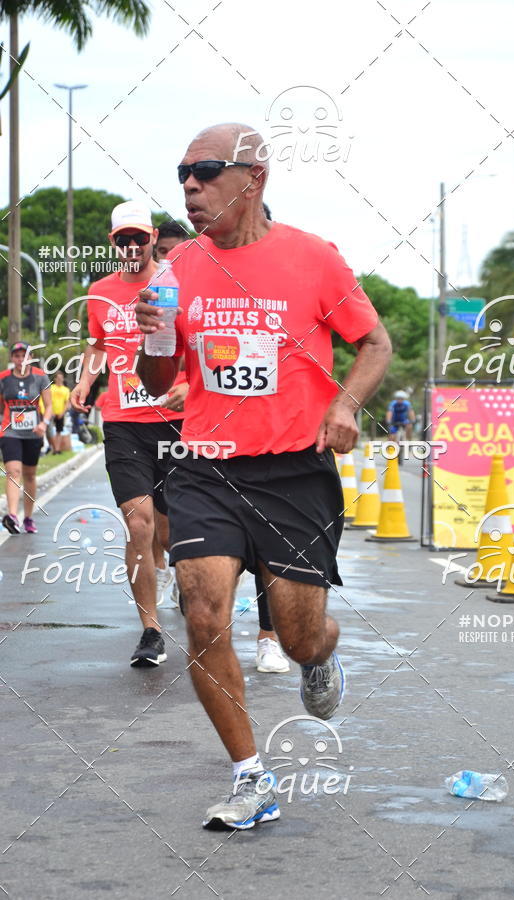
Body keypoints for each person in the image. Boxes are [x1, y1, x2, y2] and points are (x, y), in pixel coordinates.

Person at [135, 122, 391, 829]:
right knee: (203, 612)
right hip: (206, 467)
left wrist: (345, 404)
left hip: (294, 473)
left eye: (205, 171)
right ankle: (251, 776)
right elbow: (155, 380)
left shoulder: (313, 258)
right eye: (182, 174)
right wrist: (152, 336)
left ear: (254, 178)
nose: (190, 186)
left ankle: (319, 657)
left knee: (300, 635)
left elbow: (374, 342)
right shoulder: (176, 270)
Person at [155, 210, 286, 671]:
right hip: (201, 447)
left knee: (270, 558)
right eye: (162, 253)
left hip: (273, 450)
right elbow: (170, 360)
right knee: (183, 547)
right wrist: (181, 382)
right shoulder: (185, 282)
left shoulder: (283, 279)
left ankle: (270, 638)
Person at [71, 200, 184, 667]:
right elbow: (98, 344)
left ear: (153, 237)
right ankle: (151, 631)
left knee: (170, 529)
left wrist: (188, 386)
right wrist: (85, 380)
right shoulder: (100, 291)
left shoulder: (176, 281)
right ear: (113, 242)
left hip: (174, 421)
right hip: (123, 422)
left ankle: (182, 576)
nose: (132, 245)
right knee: (138, 523)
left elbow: (195, 341)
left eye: (140, 237)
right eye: (124, 239)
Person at [0, 342, 52, 534]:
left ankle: (28, 517)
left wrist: (44, 424)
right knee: (13, 471)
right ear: (12, 358)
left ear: (31, 358)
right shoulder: (3, 378)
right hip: (10, 432)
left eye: (25, 356)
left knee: (29, 475)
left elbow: (49, 406)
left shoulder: (40, 376)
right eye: (17, 356)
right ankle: (13, 516)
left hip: (33, 433)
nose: (21, 359)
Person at [48, 371, 70, 453]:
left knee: (59, 431)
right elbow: (48, 400)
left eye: (61, 378)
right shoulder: (51, 388)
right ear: (55, 379)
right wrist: (51, 411)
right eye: (58, 378)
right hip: (51, 412)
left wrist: (62, 413)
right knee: (49, 431)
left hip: (60, 413)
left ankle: (57, 449)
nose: (60, 380)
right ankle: (52, 447)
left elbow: (67, 403)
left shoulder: (66, 390)